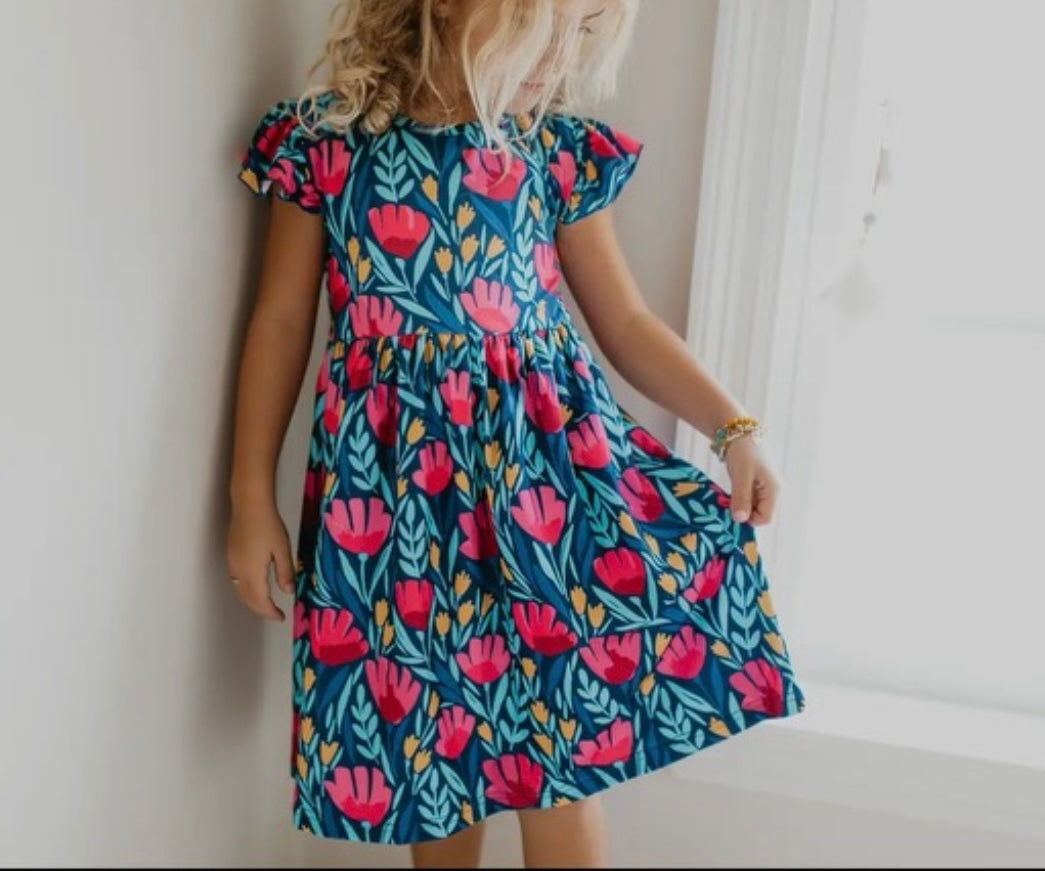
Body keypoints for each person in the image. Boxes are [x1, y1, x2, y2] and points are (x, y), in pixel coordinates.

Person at [228, 0, 807, 866]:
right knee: (435, 759)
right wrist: (249, 496)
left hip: (545, 498)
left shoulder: (549, 150)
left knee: (561, 764)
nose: (559, 58)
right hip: (398, 510)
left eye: (580, 36)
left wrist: (735, 429)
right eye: (547, 28)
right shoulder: (329, 144)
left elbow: (627, 324)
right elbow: (279, 322)